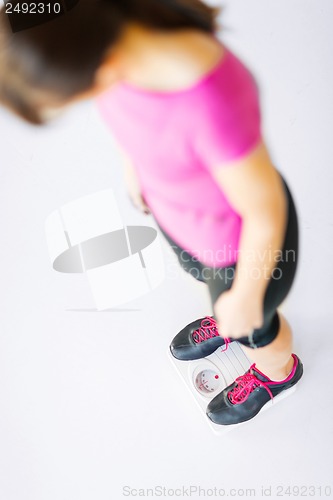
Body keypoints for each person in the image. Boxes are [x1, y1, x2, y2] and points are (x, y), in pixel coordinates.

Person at [0, 0, 303, 425]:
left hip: (244, 252)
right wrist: (135, 166)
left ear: (102, 65)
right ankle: (224, 312)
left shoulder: (211, 102)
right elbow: (129, 120)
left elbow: (265, 211)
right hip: (185, 221)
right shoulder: (108, 45)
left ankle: (277, 373)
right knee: (204, 280)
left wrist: (247, 298)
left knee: (256, 330)